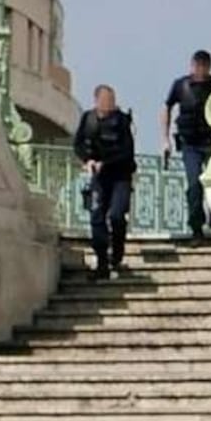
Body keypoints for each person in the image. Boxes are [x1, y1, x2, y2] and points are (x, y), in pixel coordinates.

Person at [161, 50, 211, 247]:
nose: (200, 70)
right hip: (190, 143)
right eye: (196, 66)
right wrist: (164, 139)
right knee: (194, 185)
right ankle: (196, 228)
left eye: (203, 67)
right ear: (191, 66)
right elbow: (166, 107)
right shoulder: (181, 86)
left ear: (209, 67)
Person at [73, 85, 137, 280]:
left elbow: (127, 151)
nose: (108, 103)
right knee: (97, 218)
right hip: (99, 177)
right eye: (105, 99)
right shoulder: (88, 119)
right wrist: (88, 160)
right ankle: (102, 262)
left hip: (120, 175)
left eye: (111, 99)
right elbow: (78, 144)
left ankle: (117, 253)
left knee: (117, 216)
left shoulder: (122, 120)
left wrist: (105, 163)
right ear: (97, 100)